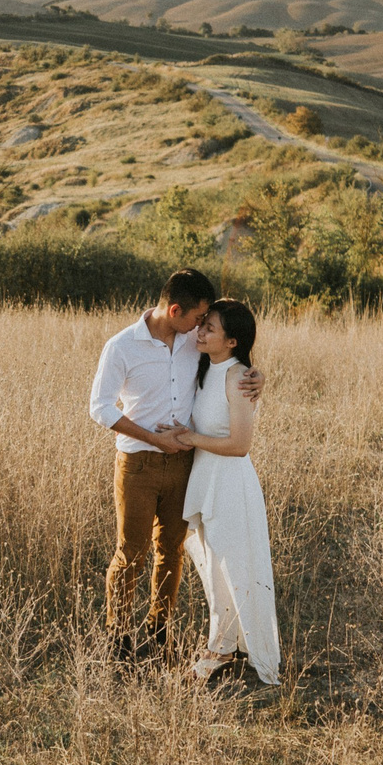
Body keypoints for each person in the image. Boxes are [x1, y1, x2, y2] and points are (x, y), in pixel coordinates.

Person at [87, 269, 260, 659]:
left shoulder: (192, 342)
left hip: (184, 465)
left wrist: (256, 375)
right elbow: (99, 408)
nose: (201, 328)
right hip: (137, 465)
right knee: (130, 552)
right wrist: (154, 438)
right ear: (176, 309)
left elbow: (230, 357)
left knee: (171, 549)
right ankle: (118, 638)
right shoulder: (121, 347)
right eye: (197, 318)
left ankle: (158, 632)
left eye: (204, 323)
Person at [181, 298, 278, 688]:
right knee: (212, 565)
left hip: (231, 481)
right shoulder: (205, 368)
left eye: (210, 329)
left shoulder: (238, 378)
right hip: (206, 477)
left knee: (233, 566)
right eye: (201, 325)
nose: (200, 332)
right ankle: (222, 642)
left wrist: (191, 438)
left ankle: (223, 649)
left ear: (232, 341)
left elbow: (240, 444)